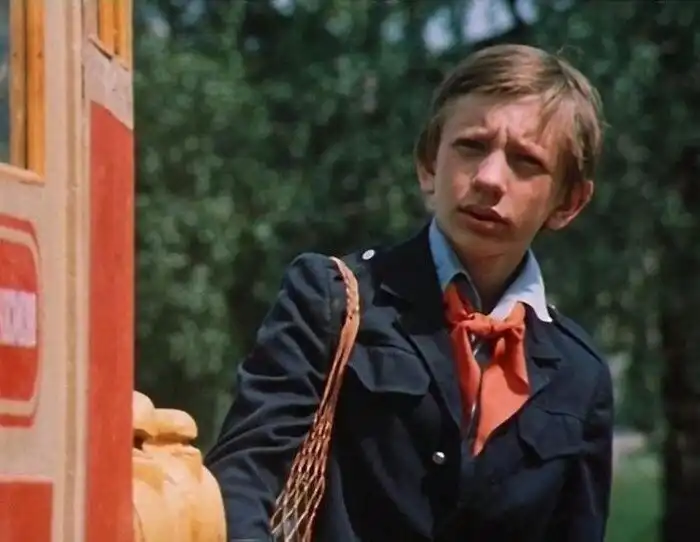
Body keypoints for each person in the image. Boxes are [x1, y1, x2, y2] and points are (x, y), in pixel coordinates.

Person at [205, 43, 614, 542]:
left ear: (569, 202)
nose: (489, 179)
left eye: (526, 161)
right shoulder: (335, 299)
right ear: (428, 164)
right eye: (471, 146)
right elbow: (242, 476)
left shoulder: (580, 374)